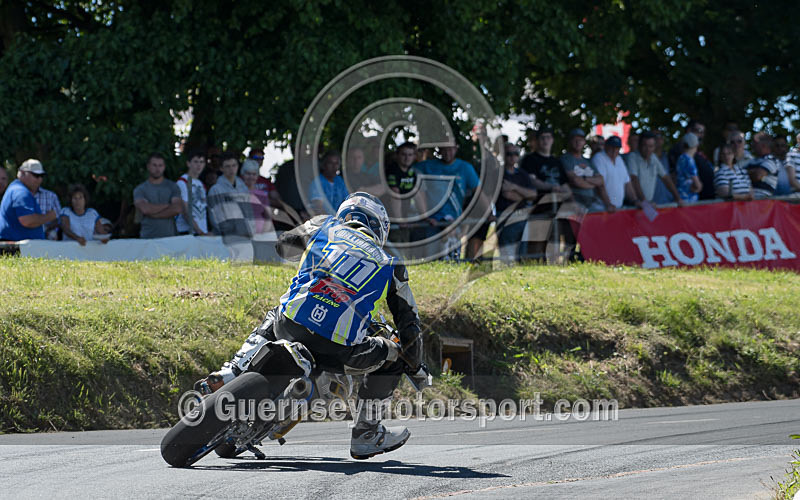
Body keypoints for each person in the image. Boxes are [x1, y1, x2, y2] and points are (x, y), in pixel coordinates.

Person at [194, 192, 421, 460]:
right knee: (394, 354)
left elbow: (283, 246)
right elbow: (409, 324)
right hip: (338, 349)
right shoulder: (391, 263)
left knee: (278, 311)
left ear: (345, 215)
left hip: (289, 326)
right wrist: (414, 364)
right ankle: (366, 433)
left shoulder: (324, 225)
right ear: (379, 228)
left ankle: (232, 371)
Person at [496, 143, 537, 260]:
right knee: (507, 257)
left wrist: (514, 187)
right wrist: (524, 196)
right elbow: (506, 194)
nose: (512, 157)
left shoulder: (523, 174)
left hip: (522, 216)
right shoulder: (498, 174)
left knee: (522, 256)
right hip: (505, 217)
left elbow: (533, 195)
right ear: (503, 155)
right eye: (509, 154)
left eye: (515, 154)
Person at [0, 159, 57, 241]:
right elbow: (27, 221)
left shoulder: (17, 189)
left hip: (17, 247)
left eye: (41, 176)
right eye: (36, 175)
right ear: (22, 173)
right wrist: (49, 216)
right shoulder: (21, 192)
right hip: (16, 249)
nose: (39, 179)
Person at [625, 131, 684, 205]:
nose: (648, 149)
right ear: (639, 145)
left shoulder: (653, 157)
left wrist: (678, 198)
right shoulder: (632, 157)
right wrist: (644, 201)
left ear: (654, 147)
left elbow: (666, 178)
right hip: (635, 203)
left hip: (646, 203)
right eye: (645, 146)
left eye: (651, 146)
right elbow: (634, 179)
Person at [560, 128, 612, 212]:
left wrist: (584, 179)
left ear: (584, 142)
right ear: (570, 141)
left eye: (580, 139)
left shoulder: (588, 162)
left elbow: (601, 180)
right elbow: (575, 180)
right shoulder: (565, 159)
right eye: (575, 139)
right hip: (575, 204)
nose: (578, 142)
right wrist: (594, 184)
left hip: (592, 202)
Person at [133, 153, 183, 238]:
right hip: (148, 238)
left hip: (170, 238)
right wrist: (168, 206)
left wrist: (154, 214)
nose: (157, 169)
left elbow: (177, 208)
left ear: (164, 167)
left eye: (160, 165)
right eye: (154, 165)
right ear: (148, 166)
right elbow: (145, 209)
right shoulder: (140, 189)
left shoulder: (172, 186)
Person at [208, 153, 252, 236]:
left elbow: (248, 212)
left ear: (238, 166)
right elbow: (215, 217)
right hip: (224, 237)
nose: (231, 169)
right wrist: (228, 232)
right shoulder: (215, 190)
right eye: (227, 166)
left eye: (234, 165)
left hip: (245, 235)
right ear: (221, 168)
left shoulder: (243, 188)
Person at [591, 136, 640, 210]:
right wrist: (608, 204)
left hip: (616, 208)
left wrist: (635, 200)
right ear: (606, 146)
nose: (614, 150)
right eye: (612, 147)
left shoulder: (619, 159)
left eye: (617, 148)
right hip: (602, 208)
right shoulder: (598, 158)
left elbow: (627, 183)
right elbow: (600, 184)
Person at [519, 127, 570, 195]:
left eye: (548, 137)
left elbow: (564, 183)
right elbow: (531, 181)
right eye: (542, 137)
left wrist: (570, 198)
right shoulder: (529, 159)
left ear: (552, 140)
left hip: (558, 200)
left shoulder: (557, 161)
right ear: (537, 141)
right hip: (539, 200)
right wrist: (552, 187)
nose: (545, 140)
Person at [385, 142, 418, 243]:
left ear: (414, 156)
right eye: (403, 154)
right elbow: (395, 193)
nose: (407, 158)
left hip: (405, 218)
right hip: (390, 220)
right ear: (397, 155)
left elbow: (418, 194)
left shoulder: (413, 172)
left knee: (406, 250)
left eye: (410, 155)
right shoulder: (391, 170)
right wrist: (399, 219)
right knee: (395, 250)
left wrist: (425, 217)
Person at [176, 150, 210, 236]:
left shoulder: (201, 184)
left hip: (202, 231)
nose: (199, 165)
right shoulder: (182, 182)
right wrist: (199, 231)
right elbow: (185, 211)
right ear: (188, 163)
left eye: (201, 162)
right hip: (187, 231)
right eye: (195, 162)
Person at [309, 151, 349, 215]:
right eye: (330, 163)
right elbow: (318, 207)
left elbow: (347, 201)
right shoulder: (317, 182)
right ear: (323, 165)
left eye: (336, 163)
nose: (334, 166)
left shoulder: (339, 181)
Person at [241, 159, 275, 234]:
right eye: (248, 174)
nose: (251, 177)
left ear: (257, 176)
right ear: (242, 174)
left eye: (254, 174)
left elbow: (268, 217)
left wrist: (263, 233)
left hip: (261, 236)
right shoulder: (237, 193)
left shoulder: (262, 195)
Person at [746, 132, 780, 200]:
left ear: (763, 145)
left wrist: (747, 173)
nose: (752, 145)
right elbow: (739, 173)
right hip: (746, 199)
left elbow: (757, 176)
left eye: (755, 143)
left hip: (762, 200)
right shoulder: (752, 160)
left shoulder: (772, 160)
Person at [675, 133, 703, 203]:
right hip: (689, 201)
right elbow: (697, 185)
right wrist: (699, 187)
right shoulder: (689, 160)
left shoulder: (681, 158)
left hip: (681, 198)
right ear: (696, 145)